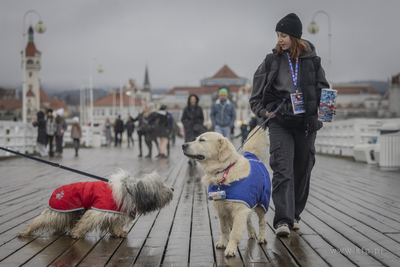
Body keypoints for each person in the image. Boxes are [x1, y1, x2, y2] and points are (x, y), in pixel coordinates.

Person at [249, 13, 330, 236]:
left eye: (283, 34)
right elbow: (255, 97)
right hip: (280, 122)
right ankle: (282, 220)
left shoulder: (313, 61)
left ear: (295, 36)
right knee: (282, 169)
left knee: (302, 170)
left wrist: (325, 113)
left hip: (306, 124)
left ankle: (294, 214)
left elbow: (324, 91)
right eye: (277, 35)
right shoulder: (270, 60)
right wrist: (265, 112)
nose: (280, 39)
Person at [181, 94, 205, 165]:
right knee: (188, 144)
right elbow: (183, 119)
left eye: (194, 99)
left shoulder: (199, 109)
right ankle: (190, 158)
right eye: (191, 99)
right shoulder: (186, 109)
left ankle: (194, 158)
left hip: (197, 129)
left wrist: (199, 125)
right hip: (189, 129)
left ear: (196, 100)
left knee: (196, 144)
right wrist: (186, 125)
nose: (192, 100)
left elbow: (202, 118)